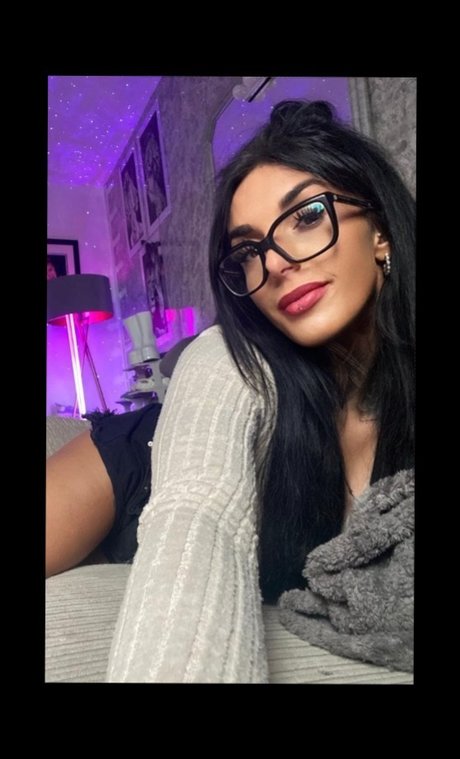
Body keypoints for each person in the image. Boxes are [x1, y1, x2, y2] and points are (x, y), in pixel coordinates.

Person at [46, 100, 415, 682]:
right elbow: (198, 513)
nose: (278, 263)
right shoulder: (219, 375)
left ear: (381, 232)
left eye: (306, 216)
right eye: (249, 251)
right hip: (147, 463)